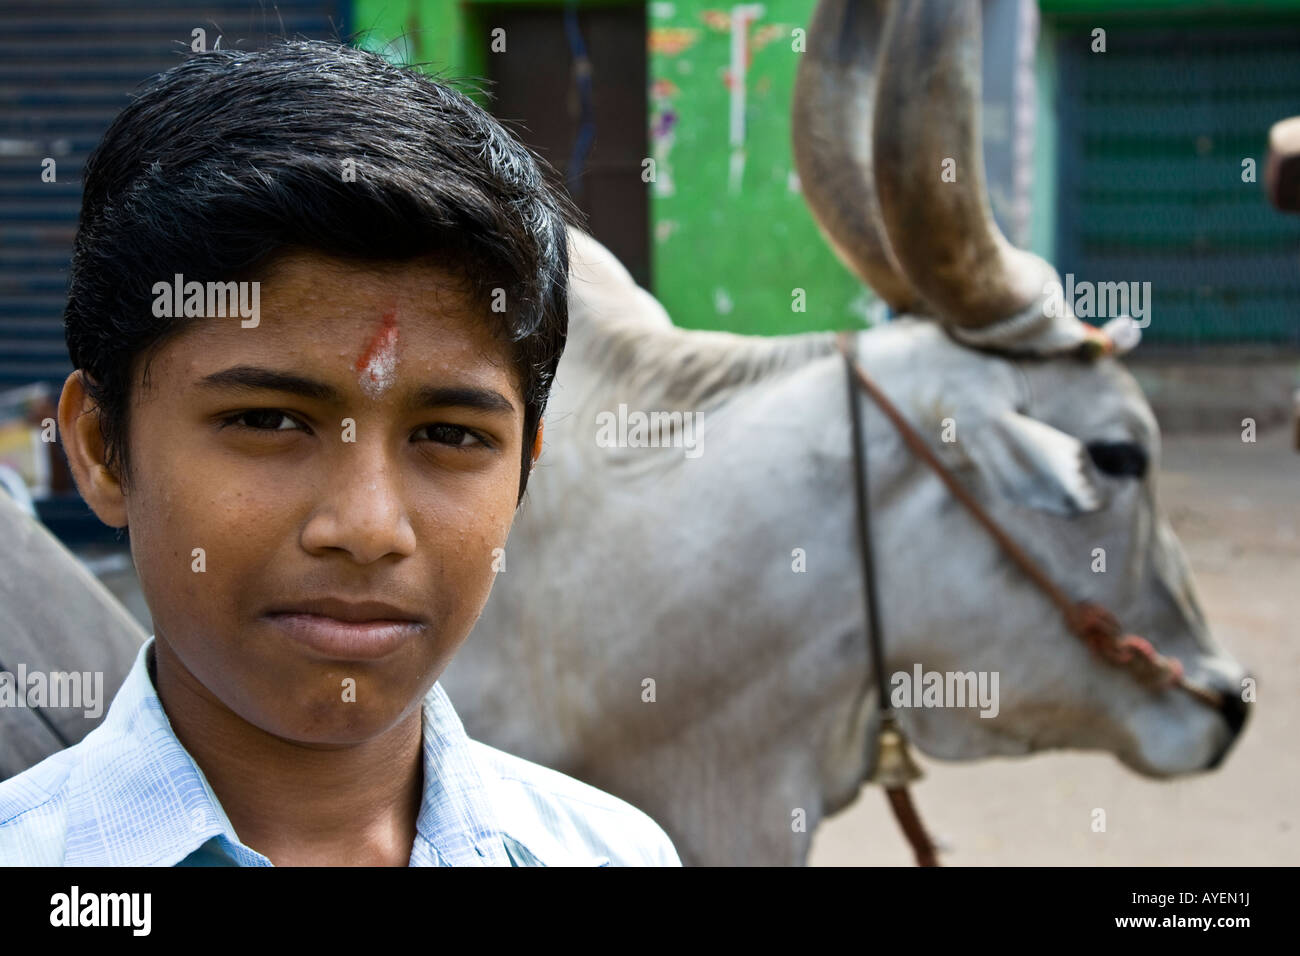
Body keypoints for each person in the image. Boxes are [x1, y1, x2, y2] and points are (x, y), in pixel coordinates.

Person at [0, 39, 680, 867]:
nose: (367, 528)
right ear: (104, 448)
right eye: (268, 421)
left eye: (450, 436)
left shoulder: (610, 854)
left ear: (523, 473)